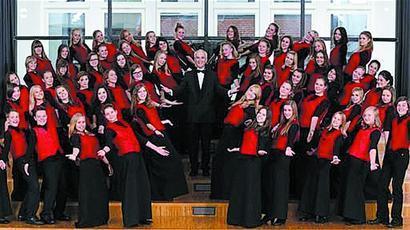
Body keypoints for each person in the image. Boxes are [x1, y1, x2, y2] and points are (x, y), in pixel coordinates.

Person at [162, 49, 238, 176]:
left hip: (208, 116)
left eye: (202, 58)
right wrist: (169, 91)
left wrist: (230, 92)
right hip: (192, 116)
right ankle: (194, 169)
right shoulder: (188, 75)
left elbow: (219, 90)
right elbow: (180, 90)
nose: (200, 60)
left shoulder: (212, 75)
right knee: (192, 145)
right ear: (194, 59)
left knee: (206, 145)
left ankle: (206, 168)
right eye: (197, 58)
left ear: (206, 59)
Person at [99, 104, 168, 227]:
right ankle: (131, 220)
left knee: (143, 185)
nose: (110, 115)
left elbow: (140, 139)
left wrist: (156, 148)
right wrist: (104, 151)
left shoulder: (126, 123)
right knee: (130, 189)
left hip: (137, 157)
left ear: (116, 111)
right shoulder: (109, 129)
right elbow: (109, 144)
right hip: (126, 160)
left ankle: (144, 216)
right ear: (105, 117)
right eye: (107, 114)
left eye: (112, 112)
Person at [131, 84, 188, 201]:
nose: (142, 93)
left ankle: (167, 193)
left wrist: (164, 121)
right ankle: (162, 194)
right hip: (154, 136)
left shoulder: (149, 105)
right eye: (140, 92)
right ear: (136, 95)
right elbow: (147, 123)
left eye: (144, 91)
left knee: (171, 161)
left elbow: (154, 119)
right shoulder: (139, 108)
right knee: (165, 163)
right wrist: (156, 130)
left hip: (161, 133)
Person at [210, 84, 261, 200]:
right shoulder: (239, 103)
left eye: (254, 93)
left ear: (256, 97)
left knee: (229, 166)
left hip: (235, 138)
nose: (250, 93)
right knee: (220, 163)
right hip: (226, 136)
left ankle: (226, 194)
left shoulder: (251, 109)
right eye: (250, 90)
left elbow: (247, 128)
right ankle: (218, 193)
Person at [226, 106, 271, 228]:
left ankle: (249, 220)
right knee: (240, 189)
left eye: (263, 114)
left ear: (267, 118)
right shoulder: (250, 126)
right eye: (259, 113)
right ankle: (236, 218)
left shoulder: (265, 131)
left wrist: (261, 151)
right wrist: (237, 149)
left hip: (253, 162)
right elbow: (246, 143)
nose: (260, 115)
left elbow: (262, 146)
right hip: (242, 160)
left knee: (251, 190)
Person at [369, 97, 409, 228]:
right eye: (399, 105)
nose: (401, 107)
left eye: (404, 106)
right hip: (389, 155)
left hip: (401, 155)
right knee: (381, 185)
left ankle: (397, 219)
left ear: (408, 108)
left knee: (397, 188)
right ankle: (382, 217)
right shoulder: (393, 119)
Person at [298, 112, 345, 223]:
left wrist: (335, 156)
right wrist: (313, 152)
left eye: (338, 119)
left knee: (322, 187)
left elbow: (336, 148)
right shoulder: (325, 130)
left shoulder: (339, 135)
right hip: (317, 160)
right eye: (334, 118)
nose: (335, 121)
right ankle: (307, 212)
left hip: (327, 162)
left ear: (342, 123)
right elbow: (319, 145)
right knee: (311, 185)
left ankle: (321, 214)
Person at [66, 113, 110, 228]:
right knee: (87, 193)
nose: (81, 124)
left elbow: (98, 150)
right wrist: (74, 156)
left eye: (83, 122)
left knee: (100, 192)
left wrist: (108, 163)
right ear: (74, 124)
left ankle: (100, 218)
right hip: (86, 166)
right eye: (79, 122)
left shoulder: (91, 134)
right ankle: (87, 220)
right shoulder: (75, 136)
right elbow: (76, 148)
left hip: (97, 166)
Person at [262, 100, 299, 226]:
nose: (287, 112)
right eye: (285, 110)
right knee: (272, 186)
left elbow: (291, 140)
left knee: (280, 187)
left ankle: (280, 216)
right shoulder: (281, 124)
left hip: (283, 157)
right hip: (274, 155)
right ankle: (270, 214)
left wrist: (289, 148)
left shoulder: (293, 124)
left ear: (294, 111)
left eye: (289, 110)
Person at [29, 107, 64, 224]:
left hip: (59, 158)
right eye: (39, 116)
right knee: (51, 188)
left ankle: (58, 212)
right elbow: (30, 150)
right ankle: (46, 213)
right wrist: (26, 163)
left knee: (62, 187)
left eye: (44, 116)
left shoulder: (52, 127)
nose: (42, 118)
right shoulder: (33, 131)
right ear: (35, 118)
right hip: (47, 161)